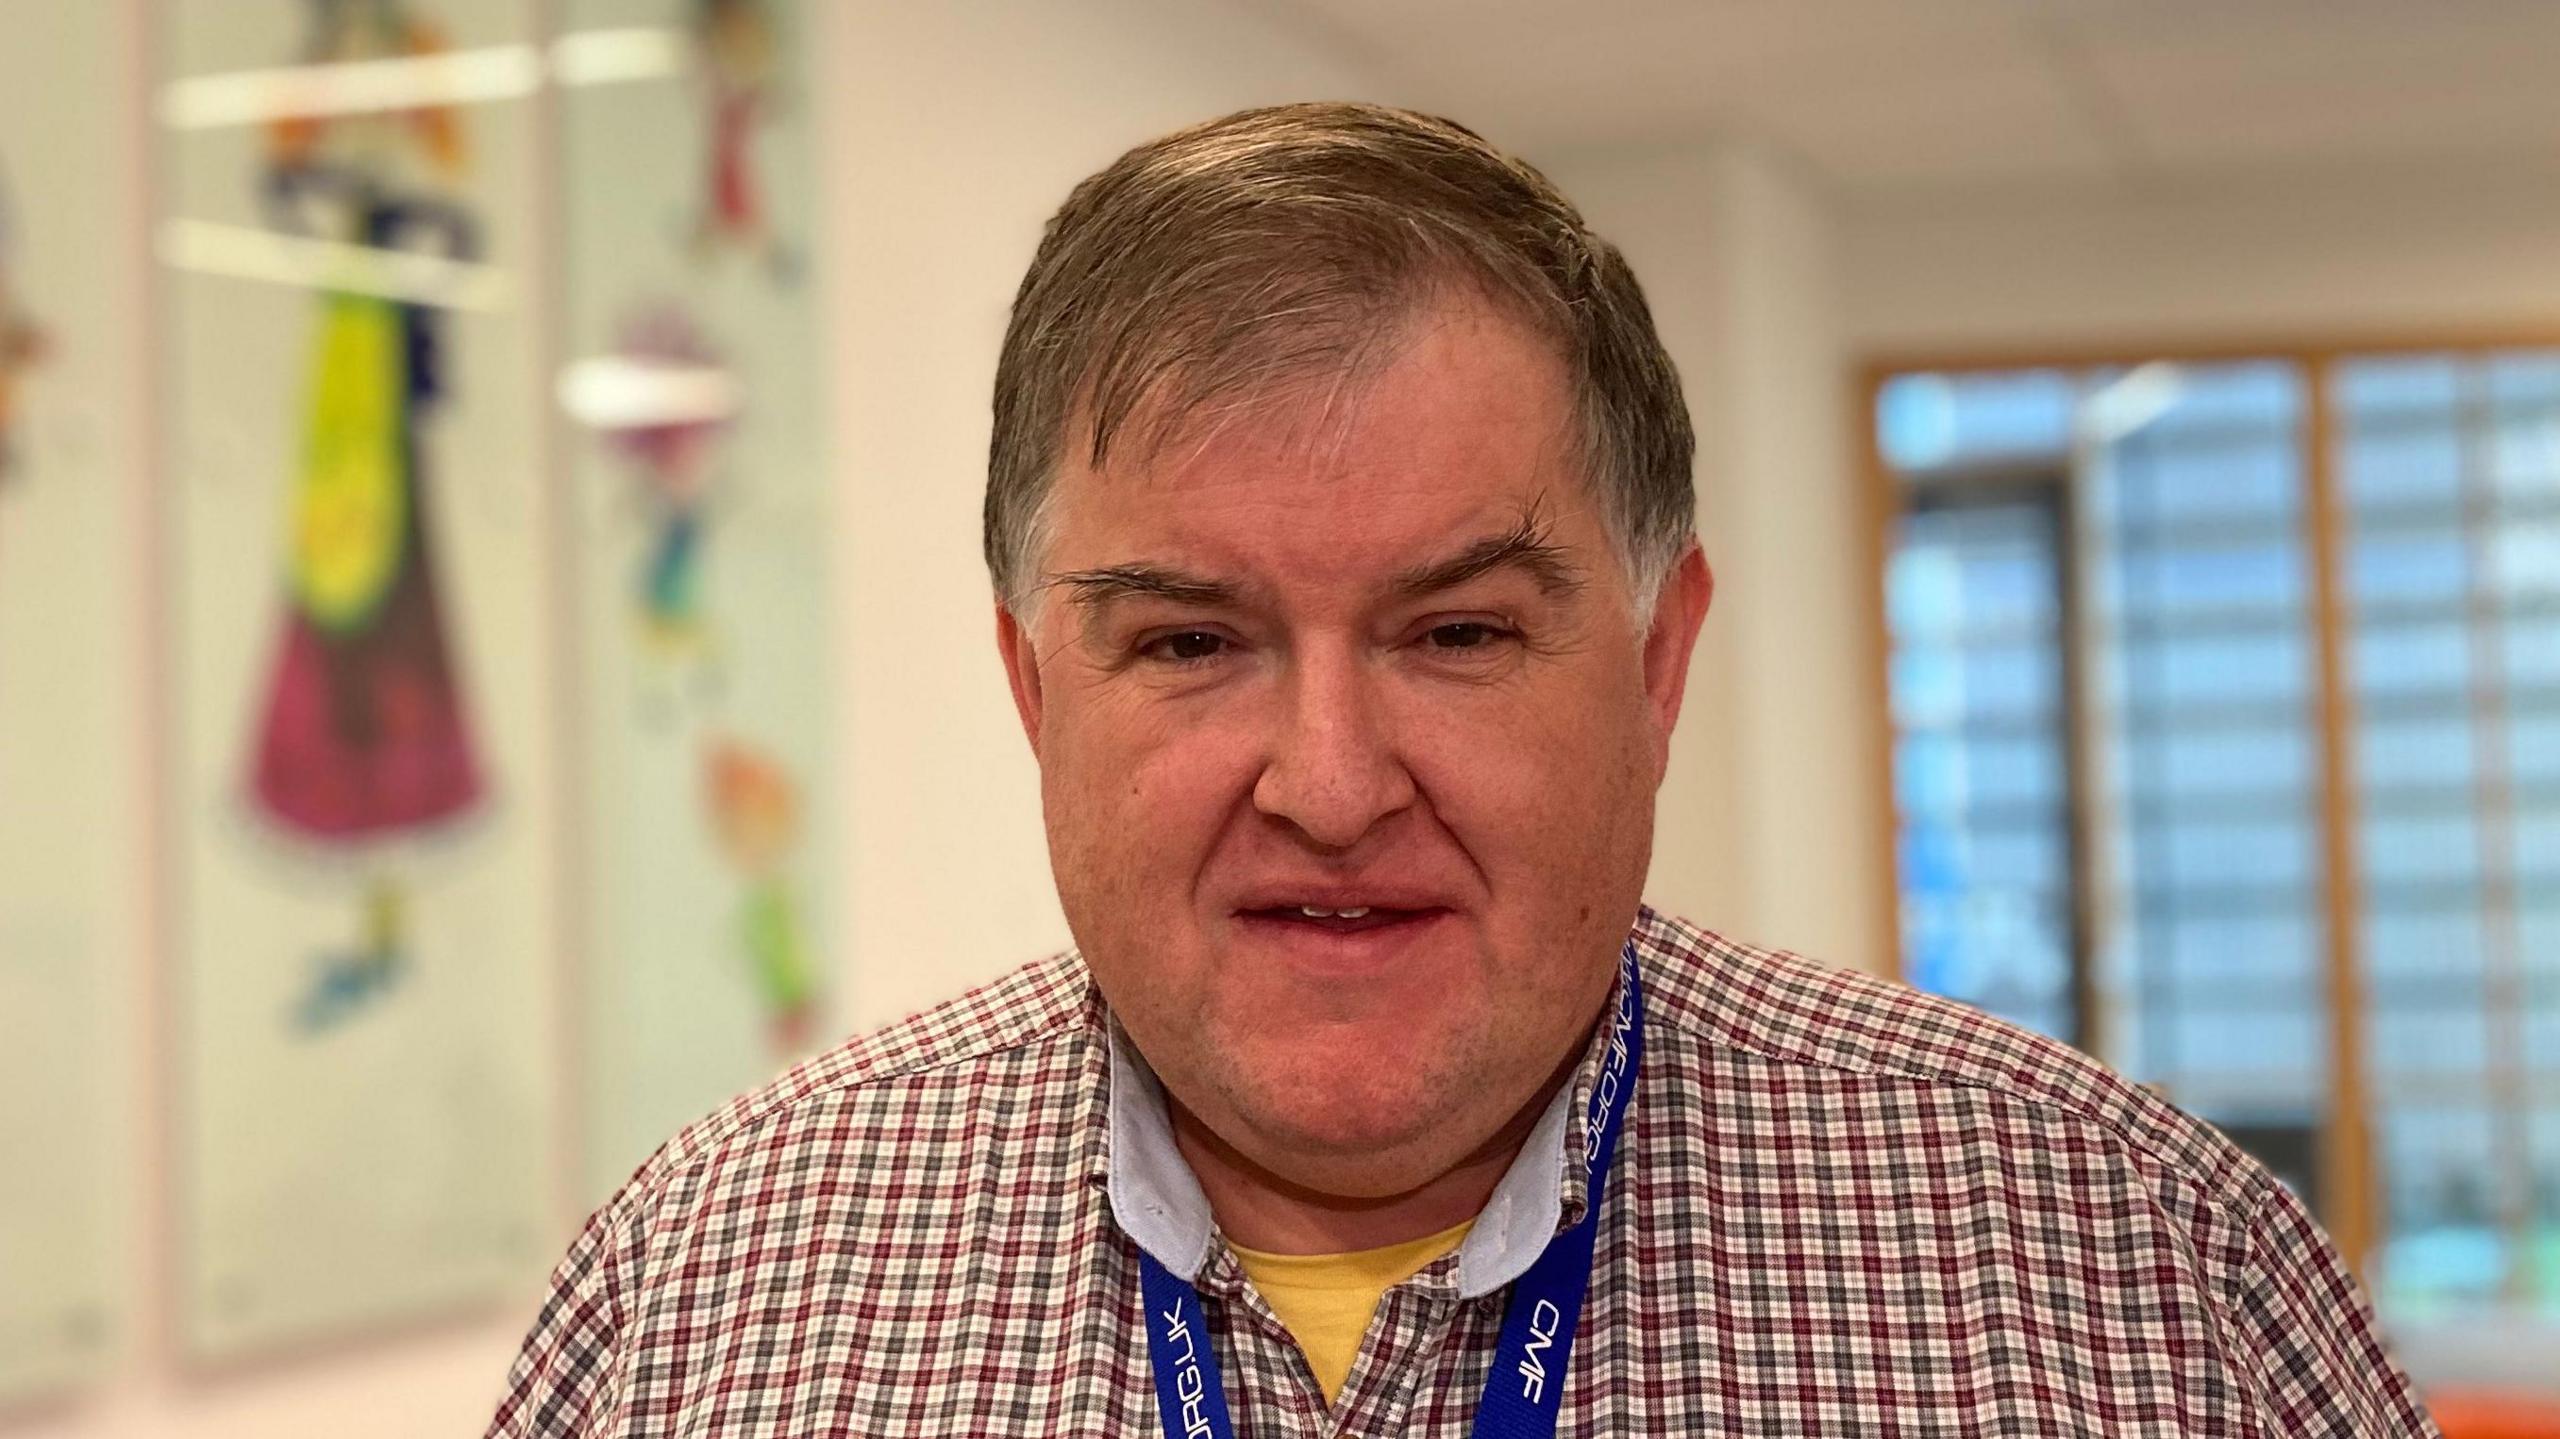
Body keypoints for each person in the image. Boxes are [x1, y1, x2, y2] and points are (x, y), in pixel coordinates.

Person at [488, 102, 2435, 1436]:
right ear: (1028, 688)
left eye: (1457, 635)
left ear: (1660, 665)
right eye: (1185, 642)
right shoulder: (703, 1301)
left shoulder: (2131, 1279)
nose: (1329, 784)